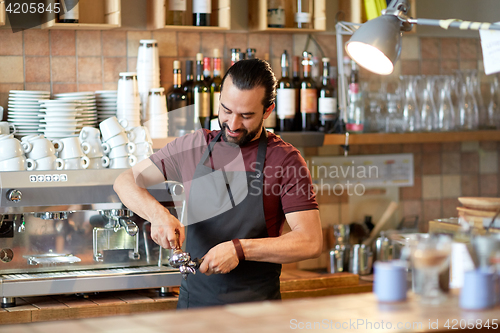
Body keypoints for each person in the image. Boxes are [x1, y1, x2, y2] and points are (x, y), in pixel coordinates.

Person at [113, 59, 323, 308]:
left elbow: (310, 241)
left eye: (246, 116)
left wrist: (239, 250)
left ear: (268, 111)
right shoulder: (194, 146)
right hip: (195, 311)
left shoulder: (286, 160)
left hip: (256, 314)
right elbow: (125, 180)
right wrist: (158, 215)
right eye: (226, 110)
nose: (232, 125)